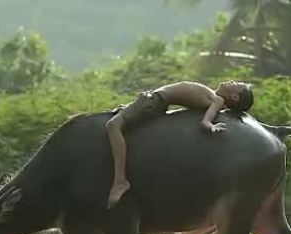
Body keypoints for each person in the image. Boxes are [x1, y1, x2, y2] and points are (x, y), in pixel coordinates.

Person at [105, 80, 254, 208]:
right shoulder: (214, 97)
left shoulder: (218, 101)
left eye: (237, 84)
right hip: (155, 100)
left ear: (234, 96)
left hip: (154, 101)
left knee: (112, 125)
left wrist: (212, 126)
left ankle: (120, 180)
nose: (232, 81)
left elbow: (205, 122)